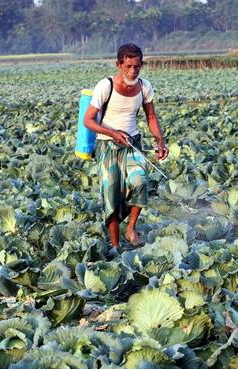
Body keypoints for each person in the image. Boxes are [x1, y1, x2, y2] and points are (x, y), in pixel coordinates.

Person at [83, 43, 169, 256]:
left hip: (133, 143)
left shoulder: (145, 87)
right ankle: (115, 244)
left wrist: (160, 142)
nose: (132, 71)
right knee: (111, 194)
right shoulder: (106, 86)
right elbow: (88, 120)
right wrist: (112, 133)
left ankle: (131, 229)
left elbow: (151, 117)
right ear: (119, 64)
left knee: (140, 182)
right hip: (107, 145)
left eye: (137, 67)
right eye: (128, 66)